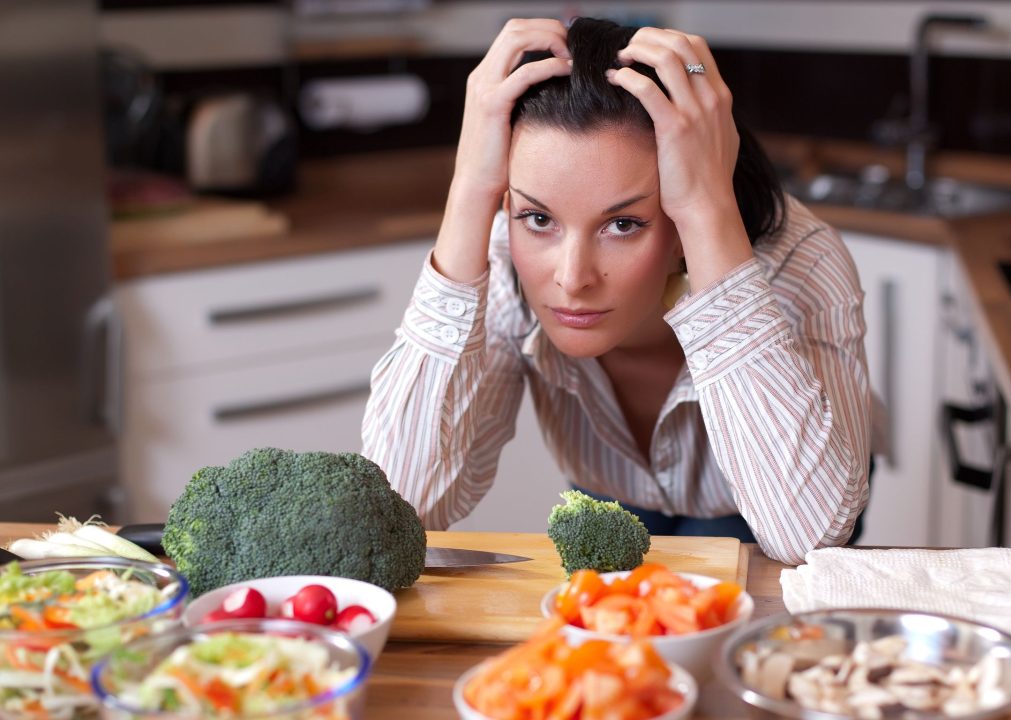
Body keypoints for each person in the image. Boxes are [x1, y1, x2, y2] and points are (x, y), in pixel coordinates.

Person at [362, 17, 870, 565]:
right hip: (612, 495)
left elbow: (808, 537)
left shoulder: (800, 263)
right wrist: (468, 190)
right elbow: (400, 506)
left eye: (623, 224)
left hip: (779, 504)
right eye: (537, 217)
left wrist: (706, 209)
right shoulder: (504, 256)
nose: (571, 277)